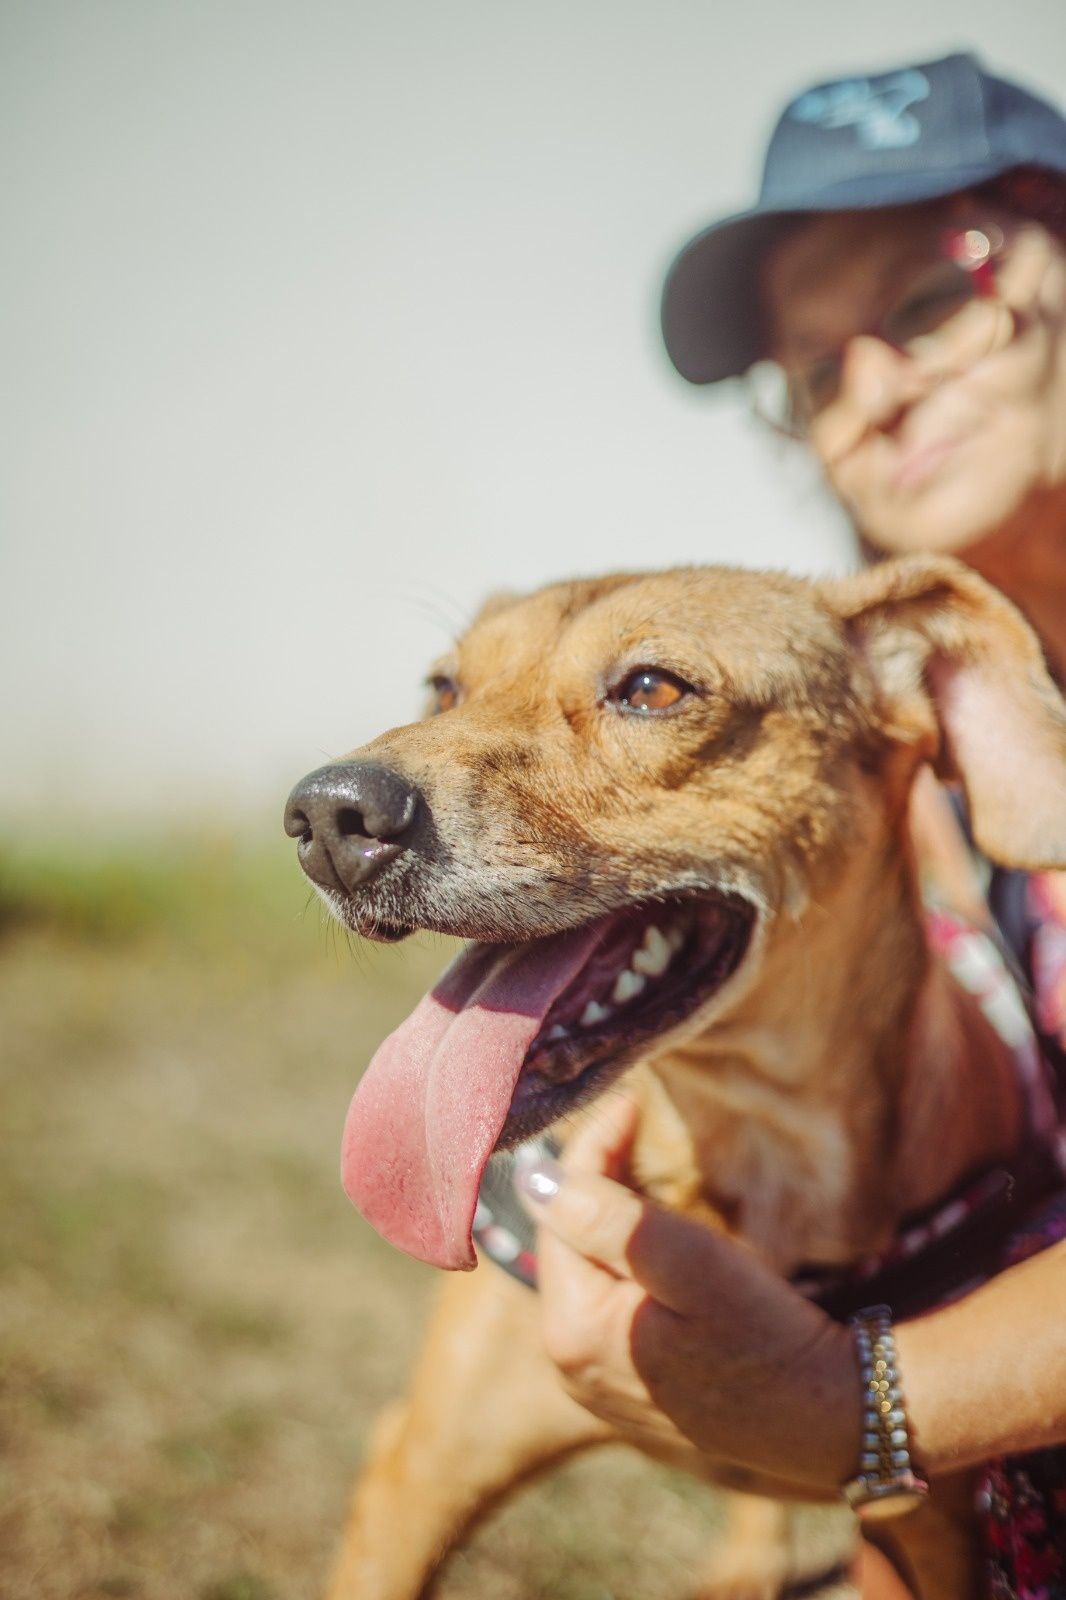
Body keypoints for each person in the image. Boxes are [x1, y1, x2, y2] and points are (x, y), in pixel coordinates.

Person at [514, 51, 1066, 1598]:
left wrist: (857, 1409)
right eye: (815, 372)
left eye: (925, 304)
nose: (870, 397)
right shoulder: (911, 739)